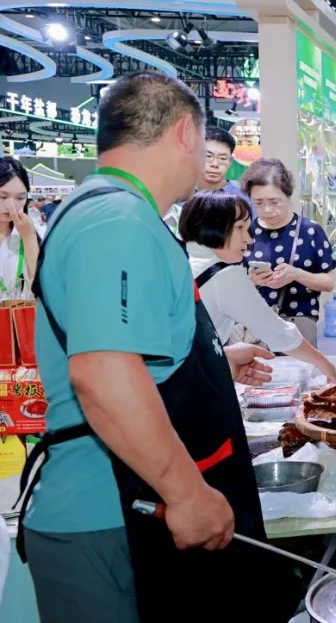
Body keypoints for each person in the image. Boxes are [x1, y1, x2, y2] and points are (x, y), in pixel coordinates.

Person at [17, 71, 295, 623]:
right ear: (185, 133)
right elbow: (102, 373)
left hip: (128, 511)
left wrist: (212, 363)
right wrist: (187, 492)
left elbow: (130, 352)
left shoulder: (120, 212)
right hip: (109, 517)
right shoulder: (116, 219)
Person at [179, 190, 336, 383]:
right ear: (214, 225)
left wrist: (224, 354)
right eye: (240, 228)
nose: (248, 239)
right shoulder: (224, 275)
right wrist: (324, 363)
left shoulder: (180, 259)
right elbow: (277, 331)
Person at [240, 158, 336, 346]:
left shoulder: (310, 231)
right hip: (254, 322)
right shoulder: (245, 232)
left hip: (298, 322)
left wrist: (297, 274)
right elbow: (230, 281)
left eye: (274, 202)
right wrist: (252, 280)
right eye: (258, 203)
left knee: (301, 365)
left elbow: (328, 283)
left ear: (288, 195)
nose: (267, 210)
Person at [0, 157, 42, 299]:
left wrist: (29, 238)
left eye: (20, 198)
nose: (11, 205)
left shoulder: (35, 231)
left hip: (19, 311)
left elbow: (41, 288)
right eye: (2, 196)